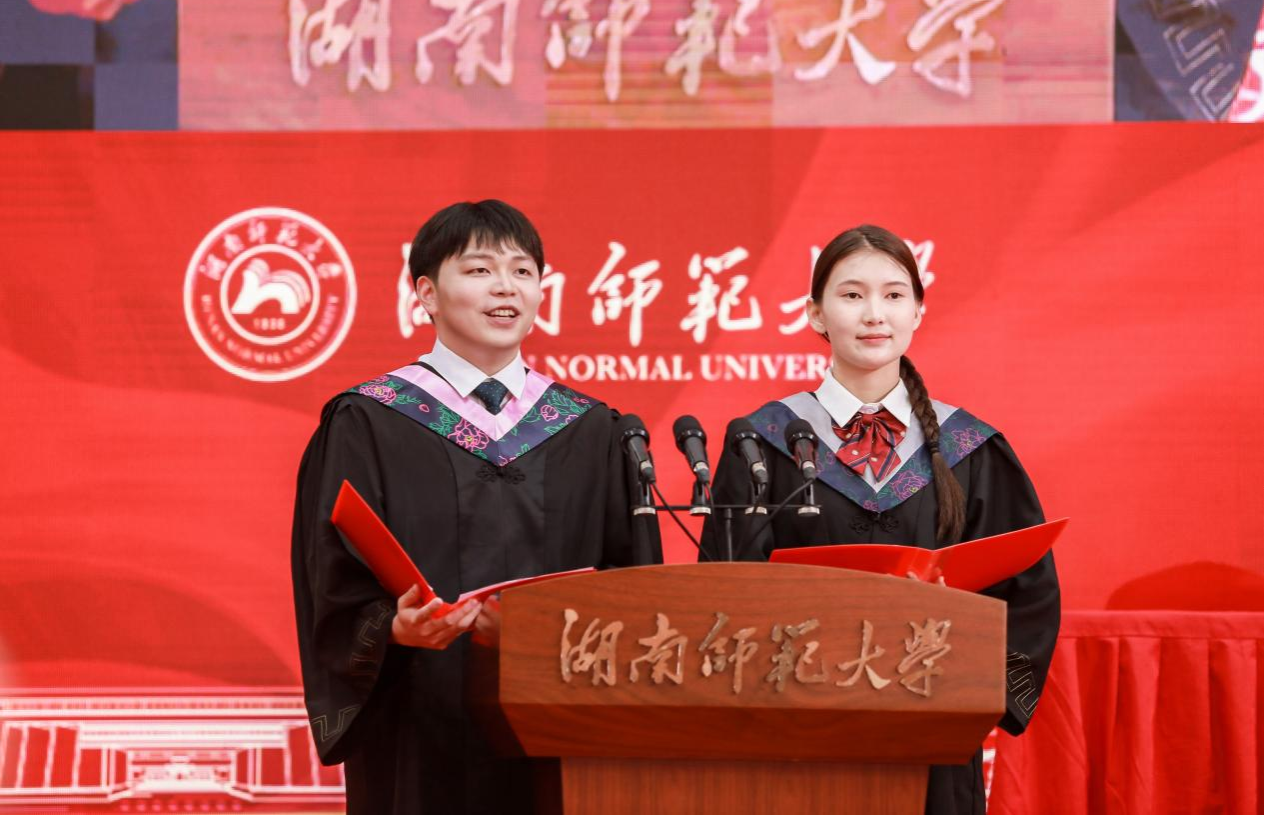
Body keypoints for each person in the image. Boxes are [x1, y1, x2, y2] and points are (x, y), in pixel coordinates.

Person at [292, 200, 662, 813]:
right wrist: (392, 628)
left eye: (523, 271)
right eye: (480, 270)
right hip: (418, 717)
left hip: (558, 720)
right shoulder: (369, 420)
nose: (506, 287)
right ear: (426, 294)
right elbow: (331, 577)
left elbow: (630, 583)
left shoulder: (590, 428)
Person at [700, 224, 1060, 815]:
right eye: (852, 295)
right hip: (799, 734)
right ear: (816, 314)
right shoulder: (763, 443)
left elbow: (1027, 590)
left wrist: (971, 693)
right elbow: (725, 588)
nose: (874, 314)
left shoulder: (969, 447)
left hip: (931, 727)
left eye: (894, 295)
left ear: (918, 311)